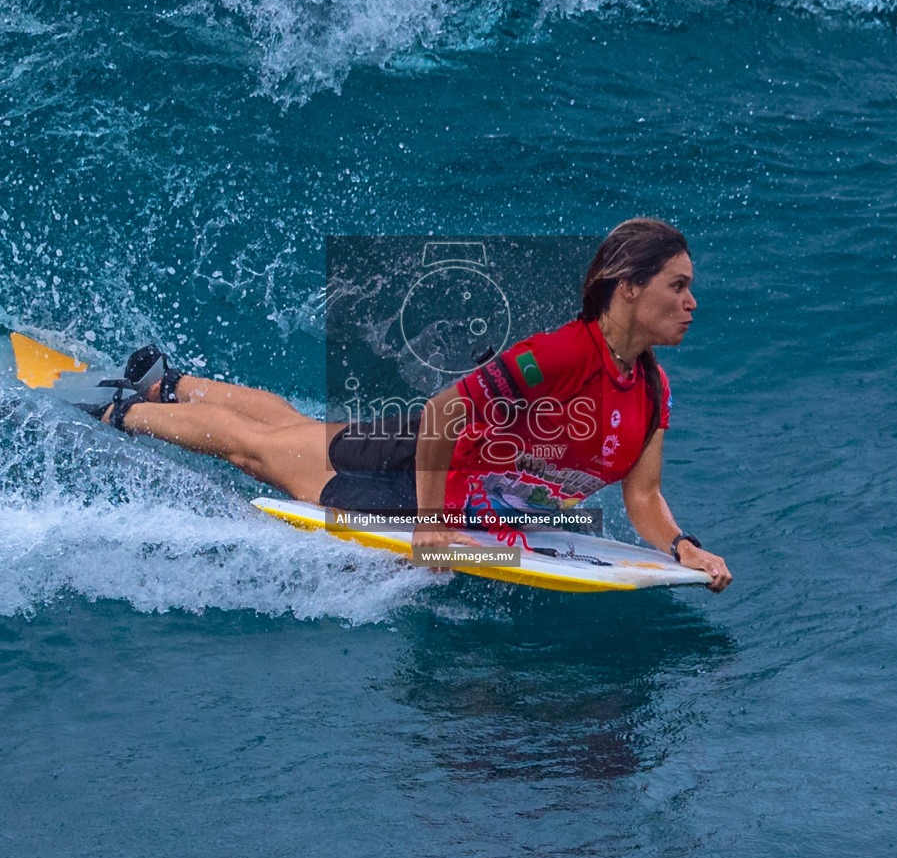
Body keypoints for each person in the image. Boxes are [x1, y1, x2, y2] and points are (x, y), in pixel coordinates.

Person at [87, 218, 732, 592]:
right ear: (626, 289)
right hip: (430, 467)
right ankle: (126, 411)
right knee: (262, 454)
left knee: (296, 432)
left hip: (480, 490)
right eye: (677, 286)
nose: (691, 302)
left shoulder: (650, 389)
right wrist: (431, 524)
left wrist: (681, 546)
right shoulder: (564, 353)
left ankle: (170, 384)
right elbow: (449, 409)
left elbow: (641, 498)